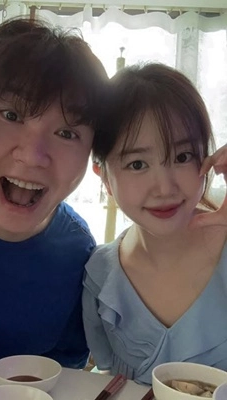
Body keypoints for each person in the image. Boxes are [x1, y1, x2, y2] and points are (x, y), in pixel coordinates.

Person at [0, 16, 109, 369]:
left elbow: (63, 374)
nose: (32, 155)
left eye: (67, 134)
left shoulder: (79, 257)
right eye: (11, 115)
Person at [82, 62, 227, 385]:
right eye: (137, 164)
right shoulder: (99, 276)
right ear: (104, 177)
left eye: (182, 157)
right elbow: (106, 378)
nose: (164, 188)